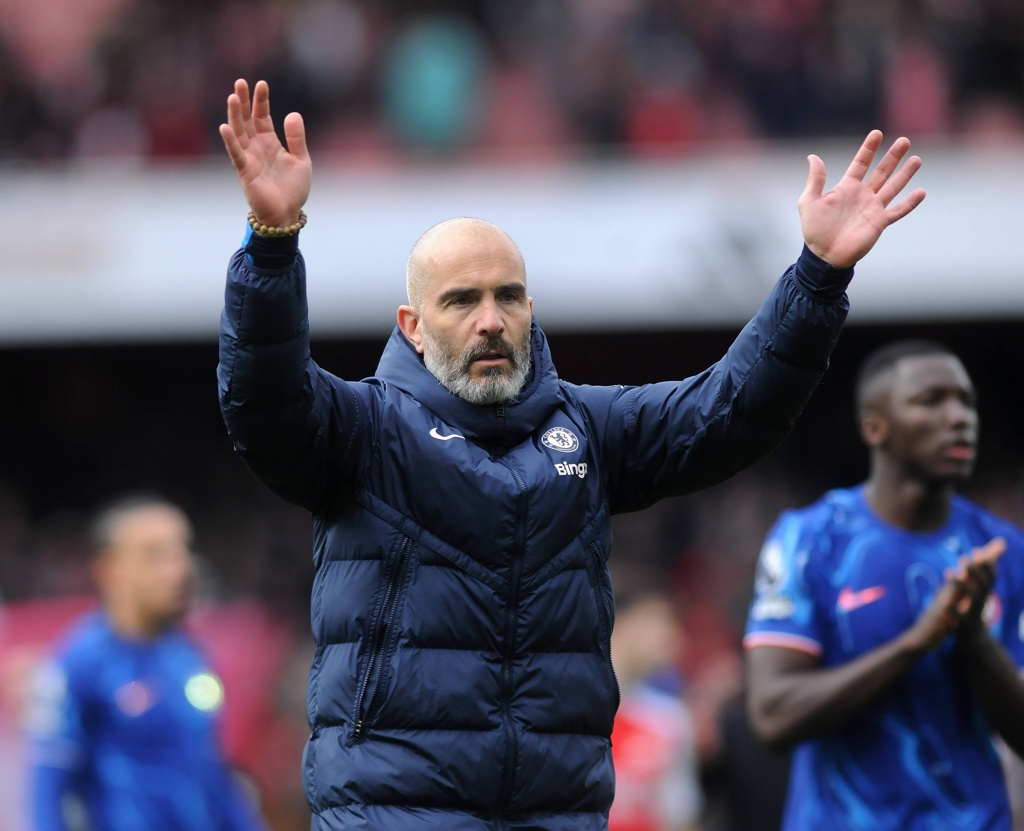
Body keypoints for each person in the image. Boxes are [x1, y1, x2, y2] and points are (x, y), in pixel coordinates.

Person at [216, 77, 925, 830]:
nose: (491, 319)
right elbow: (264, 401)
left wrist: (817, 276)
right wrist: (272, 243)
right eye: (461, 300)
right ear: (412, 326)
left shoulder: (589, 427)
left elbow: (730, 412)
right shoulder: (364, 430)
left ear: (530, 310)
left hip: (556, 814)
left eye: (508, 296)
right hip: (393, 815)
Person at [743, 340, 1024, 830]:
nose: (959, 418)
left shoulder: (1001, 550)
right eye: (931, 401)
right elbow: (772, 717)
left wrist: (972, 636)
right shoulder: (812, 540)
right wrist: (915, 643)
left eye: (967, 402)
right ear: (875, 427)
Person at [25, 495, 268, 831]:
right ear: (109, 569)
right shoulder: (78, 666)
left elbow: (213, 775)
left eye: (183, 551)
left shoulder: (189, 657)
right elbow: (48, 795)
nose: (180, 569)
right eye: (155, 554)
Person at [607, 580, 702, 831]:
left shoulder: (669, 720)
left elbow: (680, 820)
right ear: (621, 622)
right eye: (660, 619)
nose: (674, 636)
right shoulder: (560, 715)